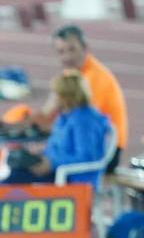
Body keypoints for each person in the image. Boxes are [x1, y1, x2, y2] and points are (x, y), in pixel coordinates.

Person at [2, 71, 112, 186]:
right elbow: (56, 148)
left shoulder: (84, 121)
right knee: (17, 170)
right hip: (56, 170)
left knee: (16, 178)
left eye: (55, 94)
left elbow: (87, 157)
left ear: (67, 96)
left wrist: (52, 163)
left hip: (72, 177)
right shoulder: (65, 117)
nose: (52, 98)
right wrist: (38, 158)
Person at [40, 26, 127, 170]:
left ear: (85, 48)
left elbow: (85, 123)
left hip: (102, 150)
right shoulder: (71, 76)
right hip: (79, 144)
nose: (67, 57)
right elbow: (48, 112)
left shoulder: (93, 78)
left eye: (72, 49)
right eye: (61, 52)